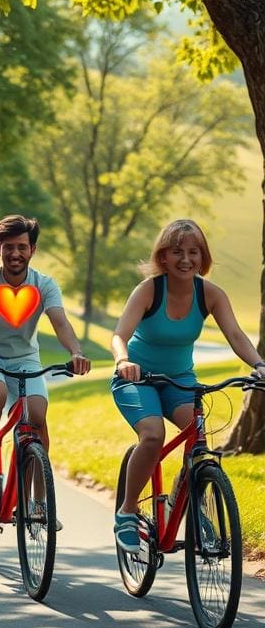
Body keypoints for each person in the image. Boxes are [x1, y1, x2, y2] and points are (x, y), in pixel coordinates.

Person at [110, 219, 265, 552]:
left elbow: (236, 336)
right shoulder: (150, 290)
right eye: (177, 251)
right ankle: (127, 511)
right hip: (137, 378)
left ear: (203, 257)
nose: (186, 259)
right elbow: (119, 335)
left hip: (180, 380)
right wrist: (123, 362)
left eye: (193, 252)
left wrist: (259, 365)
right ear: (163, 256)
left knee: (197, 443)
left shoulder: (209, 294)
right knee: (153, 436)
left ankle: (188, 508)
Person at [0, 215, 90, 528]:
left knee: (36, 418)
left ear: (33, 250)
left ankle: (38, 502)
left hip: (25, 359)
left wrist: (76, 353)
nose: (16, 253)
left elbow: (60, 322)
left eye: (22, 247)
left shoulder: (44, 284)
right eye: (9, 247)